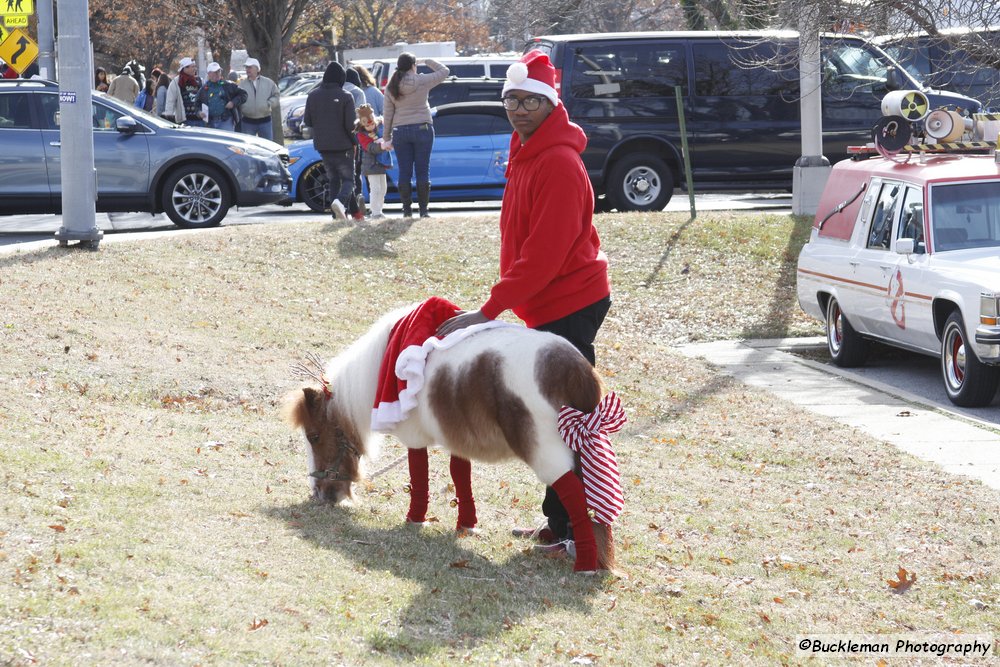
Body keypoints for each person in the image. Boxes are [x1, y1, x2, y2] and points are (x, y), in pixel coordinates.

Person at [435, 51, 612, 555]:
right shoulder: (528, 150)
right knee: (552, 416)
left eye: (530, 100)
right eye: (511, 99)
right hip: (546, 303)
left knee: (568, 421)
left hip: (570, 301)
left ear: (550, 104)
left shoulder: (557, 161)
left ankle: (582, 534)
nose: (518, 108)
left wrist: (489, 310)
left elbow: (545, 255)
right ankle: (558, 524)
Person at [382, 53, 450, 218]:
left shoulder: (392, 85)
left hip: (400, 131)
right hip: (422, 128)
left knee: (404, 172)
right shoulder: (422, 80)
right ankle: (424, 211)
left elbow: (388, 114)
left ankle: (406, 210)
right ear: (413, 65)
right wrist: (426, 60)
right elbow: (444, 71)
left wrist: (386, 137)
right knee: (422, 170)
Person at [302, 61, 357, 223]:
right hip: (343, 145)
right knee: (348, 180)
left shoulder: (312, 96)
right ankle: (339, 203)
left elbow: (308, 121)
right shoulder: (346, 96)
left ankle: (336, 216)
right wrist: (356, 142)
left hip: (323, 145)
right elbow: (350, 125)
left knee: (333, 179)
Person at [355, 104, 392, 220]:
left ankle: (378, 210)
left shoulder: (380, 127)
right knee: (375, 189)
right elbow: (370, 148)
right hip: (370, 165)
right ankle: (375, 212)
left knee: (383, 188)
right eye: (367, 125)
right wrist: (383, 146)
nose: (370, 126)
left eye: (372, 123)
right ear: (362, 124)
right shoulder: (361, 135)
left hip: (381, 163)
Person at [238, 57, 280, 141]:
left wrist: (269, 104)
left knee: (267, 147)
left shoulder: (268, 82)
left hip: (265, 121)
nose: (247, 70)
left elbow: (276, 95)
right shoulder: (241, 85)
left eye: (250, 67)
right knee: (247, 148)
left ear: (257, 69)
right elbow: (238, 99)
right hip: (247, 121)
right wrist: (243, 107)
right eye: (246, 67)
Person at [196, 61, 247, 132]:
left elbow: (244, 94)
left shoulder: (228, 85)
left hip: (226, 121)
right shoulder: (203, 89)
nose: (217, 74)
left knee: (227, 142)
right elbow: (196, 104)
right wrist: (199, 112)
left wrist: (233, 103)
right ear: (209, 74)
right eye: (214, 72)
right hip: (210, 123)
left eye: (218, 71)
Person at [165, 57, 204, 126]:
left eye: (195, 66)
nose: (195, 69)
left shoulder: (199, 80)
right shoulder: (176, 82)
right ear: (185, 68)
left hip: (200, 119)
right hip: (185, 120)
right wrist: (169, 115)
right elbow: (170, 100)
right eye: (192, 67)